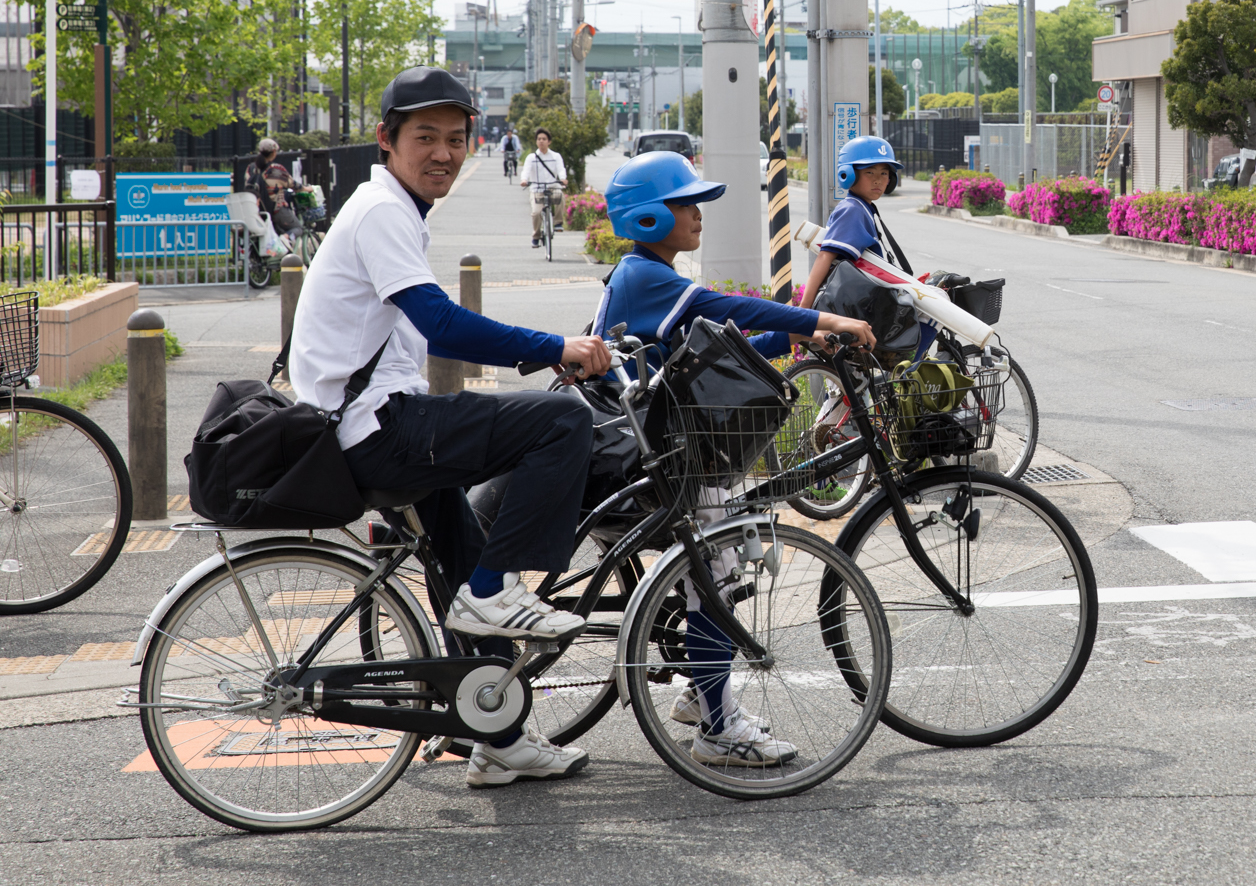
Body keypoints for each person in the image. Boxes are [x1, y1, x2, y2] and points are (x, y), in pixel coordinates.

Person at [287, 67, 613, 789]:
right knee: (560, 419)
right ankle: (496, 589)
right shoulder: (380, 211)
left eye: (456, 139)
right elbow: (441, 323)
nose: (442, 152)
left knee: (463, 569)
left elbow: (416, 334)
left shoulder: (393, 207)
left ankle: (497, 737)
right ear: (387, 139)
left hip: (368, 422)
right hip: (379, 430)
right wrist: (554, 347)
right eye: (425, 137)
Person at [595, 150, 876, 767]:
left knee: (717, 571)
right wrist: (824, 316)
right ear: (647, 217)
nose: (697, 215)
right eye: (684, 204)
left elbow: (731, 342)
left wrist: (802, 335)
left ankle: (704, 692)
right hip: (666, 460)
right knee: (716, 576)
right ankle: (719, 728)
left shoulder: (646, 275)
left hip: (666, 450)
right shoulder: (649, 278)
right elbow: (734, 309)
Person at [797, 135, 908, 309]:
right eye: (869, 172)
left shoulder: (862, 207)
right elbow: (826, 256)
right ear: (848, 174)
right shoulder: (853, 210)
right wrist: (803, 311)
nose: (878, 180)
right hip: (849, 308)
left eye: (884, 173)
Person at [520, 128, 565, 246]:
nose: (541, 141)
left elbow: (561, 170)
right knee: (536, 213)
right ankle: (536, 236)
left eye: (544, 139)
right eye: (539, 139)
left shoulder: (556, 156)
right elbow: (526, 171)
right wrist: (524, 180)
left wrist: (563, 179)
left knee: (560, 196)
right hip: (536, 189)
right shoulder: (531, 158)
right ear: (536, 141)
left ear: (549, 142)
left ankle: (558, 223)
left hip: (553, 187)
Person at [254, 138, 302, 242]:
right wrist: (308, 188)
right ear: (274, 152)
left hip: (257, 211)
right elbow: (293, 185)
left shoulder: (253, 168)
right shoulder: (275, 169)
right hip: (276, 211)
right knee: (298, 228)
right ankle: (285, 238)